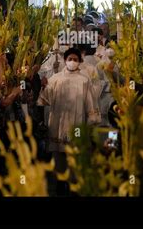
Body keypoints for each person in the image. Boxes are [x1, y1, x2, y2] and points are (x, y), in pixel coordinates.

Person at [37, 47, 100, 194]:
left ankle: (73, 186)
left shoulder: (85, 80)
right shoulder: (55, 79)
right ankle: (59, 184)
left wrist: (92, 119)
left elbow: (90, 102)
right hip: (58, 122)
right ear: (65, 60)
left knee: (74, 156)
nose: (72, 62)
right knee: (59, 157)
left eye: (75, 59)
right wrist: (43, 86)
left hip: (76, 124)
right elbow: (44, 100)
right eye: (70, 59)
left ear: (80, 61)